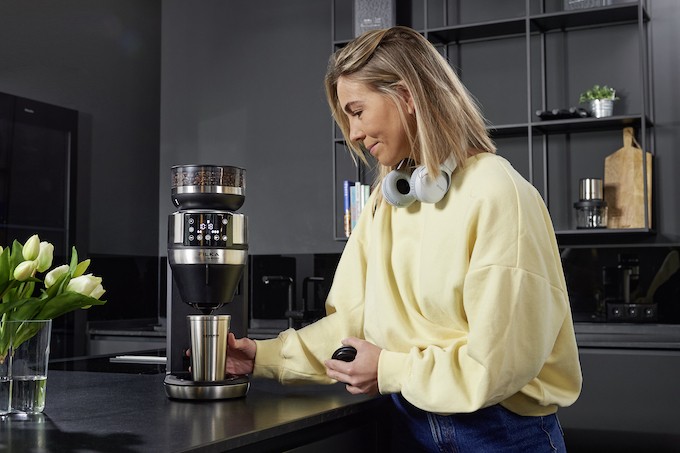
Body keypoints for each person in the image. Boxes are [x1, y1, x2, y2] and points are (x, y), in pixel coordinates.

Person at [225, 26, 582, 452]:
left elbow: (499, 365)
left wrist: (390, 369)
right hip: (407, 424)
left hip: (498, 434)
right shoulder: (386, 201)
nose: (353, 134)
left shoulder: (499, 193)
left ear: (408, 96)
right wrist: (261, 358)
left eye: (357, 111)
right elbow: (353, 324)